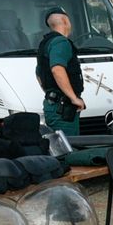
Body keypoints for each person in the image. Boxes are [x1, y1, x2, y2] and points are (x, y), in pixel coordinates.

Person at [36, 7, 85, 138]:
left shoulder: (45, 43)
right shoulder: (61, 42)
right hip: (63, 109)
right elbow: (57, 69)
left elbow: (39, 74)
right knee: (69, 146)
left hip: (54, 105)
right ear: (65, 21)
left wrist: (51, 92)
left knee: (57, 145)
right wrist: (73, 98)